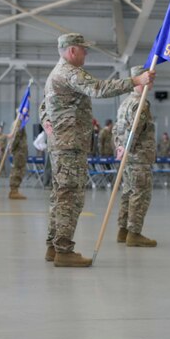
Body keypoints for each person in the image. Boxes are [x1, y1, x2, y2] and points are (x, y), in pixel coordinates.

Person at [40, 33, 155, 267]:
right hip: (70, 145)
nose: (86, 53)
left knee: (60, 195)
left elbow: (44, 106)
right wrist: (135, 81)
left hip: (63, 144)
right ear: (72, 51)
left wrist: (46, 121)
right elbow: (98, 88)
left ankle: (53, 247)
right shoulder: (69, 72)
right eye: (83, 49)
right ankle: (63, 250)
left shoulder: (56, 73)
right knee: (70, 197)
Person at [114, 67, 157, 247]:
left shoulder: (125, 102)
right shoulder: (141, 104)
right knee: (140, 194)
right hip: (138, 157)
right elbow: (135, 129)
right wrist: (127, 146)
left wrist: (119, 146)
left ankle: (123, 230)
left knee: (128, 193)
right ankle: (134, 233)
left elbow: (118, 128)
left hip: (128, 157)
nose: (152, 82)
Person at [8, 123, 28, 200]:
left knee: (18, 170)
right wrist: (12, 148)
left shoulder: (20, 123)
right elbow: (15, 137)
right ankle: (14, 191)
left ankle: (14, 190)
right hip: (19, 152)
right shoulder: (19, 123)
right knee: (17, 170)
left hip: (20, 152)